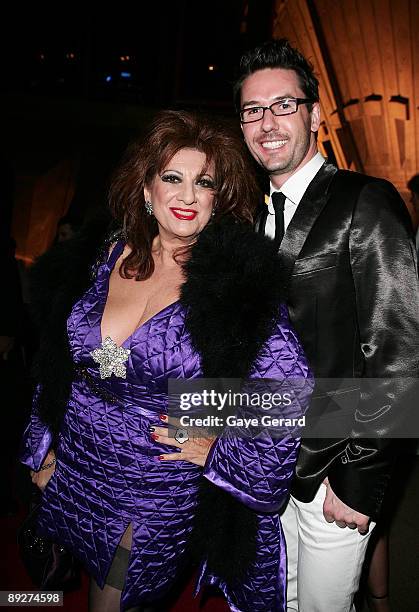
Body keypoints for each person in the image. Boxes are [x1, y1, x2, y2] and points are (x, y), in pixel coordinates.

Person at [21, 110, 313, 612]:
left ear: (218, 201)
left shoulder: (232, 288)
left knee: (112, 602)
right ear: (145, 188)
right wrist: (42, 443)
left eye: (204, 183)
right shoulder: (104, 253)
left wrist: (219, 450)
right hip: (74, 465)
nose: (186, 196)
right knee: (55, 589)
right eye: (172, 178)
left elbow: (288, 393)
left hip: (152, 484)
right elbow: (57, 358)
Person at [234, 39, 419, 611]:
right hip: (262, 464)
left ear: (314, 115)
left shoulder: (366, 201)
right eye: (252, 110)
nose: (267, 123)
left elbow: (400, 350)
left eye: (283, 105)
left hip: (334, 469)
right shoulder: (247, 216)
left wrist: (361, 480)